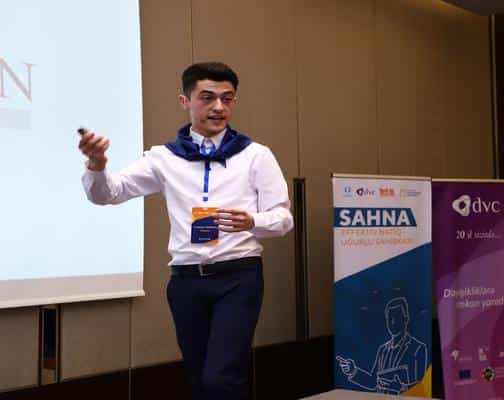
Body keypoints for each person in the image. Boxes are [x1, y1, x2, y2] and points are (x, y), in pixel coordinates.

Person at [78, 61, 293, 400]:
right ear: (185, 101)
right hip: (186, 281)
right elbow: (108, 194)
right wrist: (97, 164)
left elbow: (283, 218)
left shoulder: (256, 155)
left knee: (223, 378)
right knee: (198, 376)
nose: (218, 107)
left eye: (227, 98)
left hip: (238, 278)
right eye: (207, 98)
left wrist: (254, 221)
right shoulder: (164, 158)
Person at [336, 297, 427, 394]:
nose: (393, 322)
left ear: (406, 319)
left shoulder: (418, 348)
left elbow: (423, 385)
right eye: (390, 318)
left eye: (397, 317)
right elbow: (373, 382)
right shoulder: (383, 350)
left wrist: (401, 388)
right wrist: (353, 371)